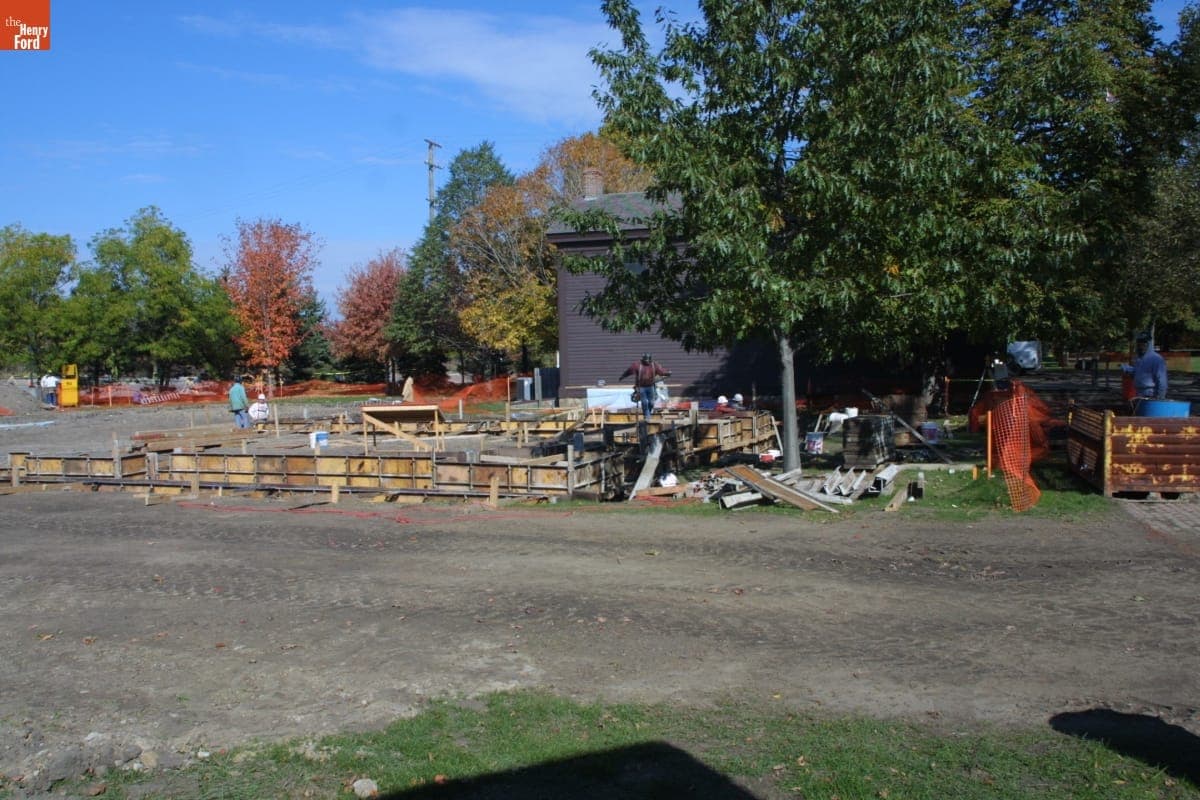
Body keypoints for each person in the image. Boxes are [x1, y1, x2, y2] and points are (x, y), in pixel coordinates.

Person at [620, 353, 670, 420]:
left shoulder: (654, 365)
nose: (647, 362)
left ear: (650, 360)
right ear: (643, 360)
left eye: (648, 361)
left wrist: (667, 373)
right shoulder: (637, 365)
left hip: (650, 386)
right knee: (644, 402)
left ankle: (648, 413)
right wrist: (623, 376)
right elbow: (629, 371)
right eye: (645, 361)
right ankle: (647, 416)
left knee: (651, 402)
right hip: (641, 387)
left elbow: (661, 371)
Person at [1121, 331, 1168, 402]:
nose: (1141, 344)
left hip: (1151, 395)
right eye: (1139, 342)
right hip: (1138, 393)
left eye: (1144, 342)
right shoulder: (1138, 358)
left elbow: (1162, 381)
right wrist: (1128, 370)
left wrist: (1159, 398)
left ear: (1149, 343)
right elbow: (1139, 373)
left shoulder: (1156, 359)